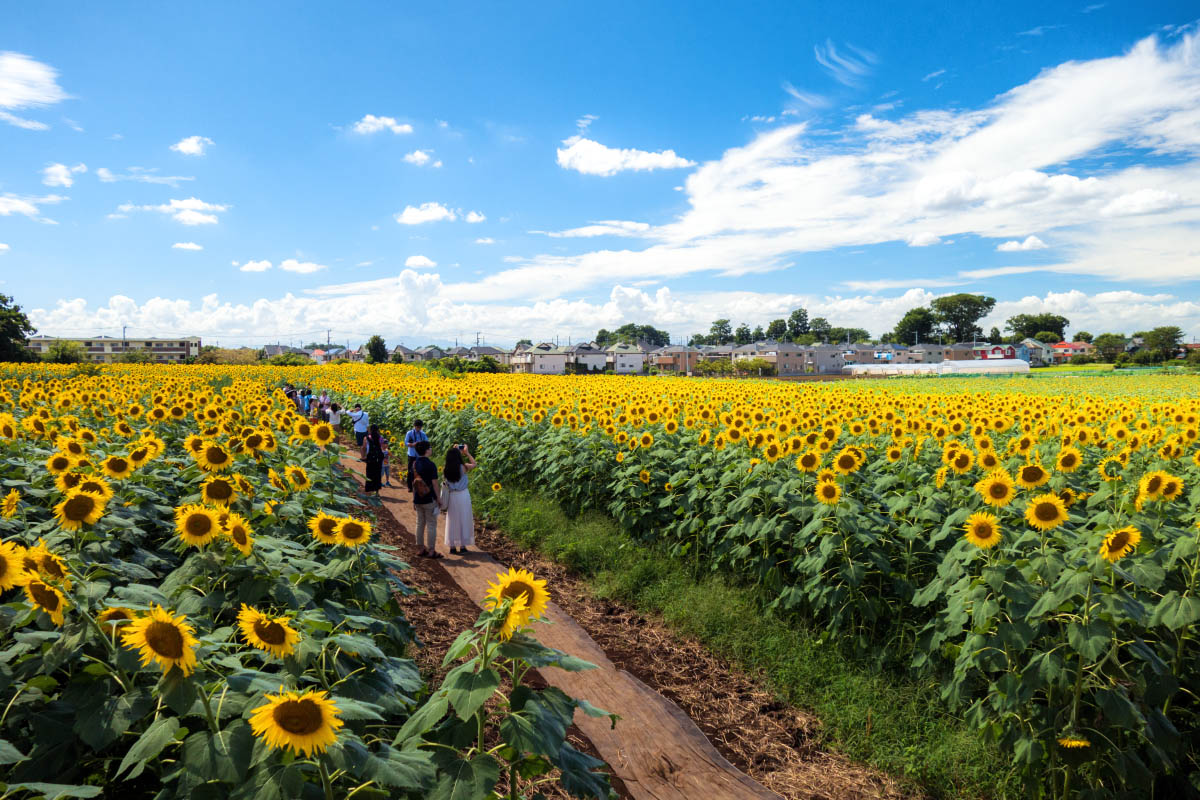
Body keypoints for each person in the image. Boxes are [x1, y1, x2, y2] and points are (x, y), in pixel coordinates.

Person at [441, 443, 476, 555]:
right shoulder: (463, 467)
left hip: (452, 496)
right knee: (464, 519)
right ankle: (462, 546)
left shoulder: (446, 469)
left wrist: (454, 452)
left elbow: (449, 463)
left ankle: (452, 546)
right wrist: (466, 453)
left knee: (452, 520)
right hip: (463, 495)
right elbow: (474, 464)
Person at [410, 441, 442, 558]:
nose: (431, 449)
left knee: (420, 523)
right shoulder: (431, 465)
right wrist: (439, 498)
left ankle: (420, 548)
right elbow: (434, 484)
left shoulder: (414, 464)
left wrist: (414, 498)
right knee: (431, 524)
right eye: (430, 447)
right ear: (427, 450)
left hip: (418, 499)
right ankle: (431, 550)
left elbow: (414, 484)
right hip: (429, 499)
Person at [362, 424, 384, 493]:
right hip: (378, 458)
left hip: (370, 458)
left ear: (370, 430)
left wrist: (363, 456)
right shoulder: (380, 437)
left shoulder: (367, 438)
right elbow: (382, 448)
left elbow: (364, 448)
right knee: (377, 473)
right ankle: (376, 489)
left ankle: (369, 489)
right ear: (377, 430)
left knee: (369, 473)